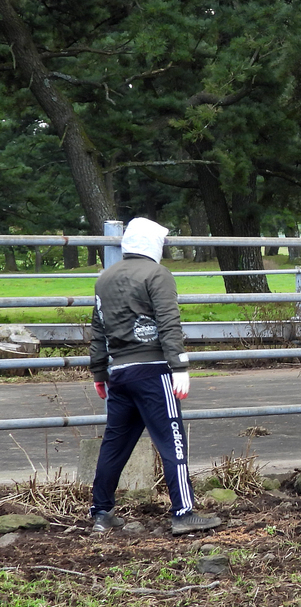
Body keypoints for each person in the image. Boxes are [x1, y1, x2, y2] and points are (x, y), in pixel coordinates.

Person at [89, 218, 222, 535]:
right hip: (153, 371)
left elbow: (98, 329)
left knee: (114, 444)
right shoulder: (157, 274)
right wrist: (180, 366)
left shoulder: (103, 279)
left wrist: (98, 371)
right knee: (172, 440)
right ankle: (183, 511)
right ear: (151, 244)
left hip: (118, 373)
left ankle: (101, 511)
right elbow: (168, 322)